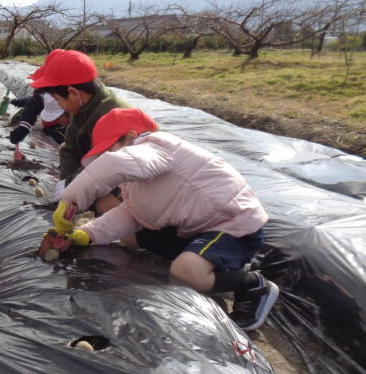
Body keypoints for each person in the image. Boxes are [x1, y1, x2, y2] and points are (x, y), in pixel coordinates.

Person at [49, 108, 279, 331]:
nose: (108, 155)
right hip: (198, 227)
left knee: (186, 272)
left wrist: (71, 201)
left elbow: (115, 164)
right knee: (130, 238)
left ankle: (252, 285)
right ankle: (222, 266)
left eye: (111, 148)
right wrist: (88, 234)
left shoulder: (157, 147)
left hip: (233, 225)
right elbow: (131, 214)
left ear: (131, 137)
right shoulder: (138, 177)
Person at [30, 49, 129, 206]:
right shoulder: (83, 108)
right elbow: (70, 148)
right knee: (64, 148)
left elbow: (100, 168)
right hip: (100, 167)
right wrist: (64, 187)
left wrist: (71, 190)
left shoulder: (110, 116)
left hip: (131, 183)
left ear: (73, 92)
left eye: (57, 99)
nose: (60, 105)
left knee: (103, 205)